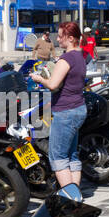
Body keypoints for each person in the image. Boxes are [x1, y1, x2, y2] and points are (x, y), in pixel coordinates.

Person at [29, 21, 88, 188]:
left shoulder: (66, 58)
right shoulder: (80, 56)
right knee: (72, 155)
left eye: (61, 36)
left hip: (65, 111)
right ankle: (75, 193)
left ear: (70, 38)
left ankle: (69, 197)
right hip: (78, 108)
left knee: (58, 157)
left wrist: (39, 79)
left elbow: (53, 84)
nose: (58, 39)